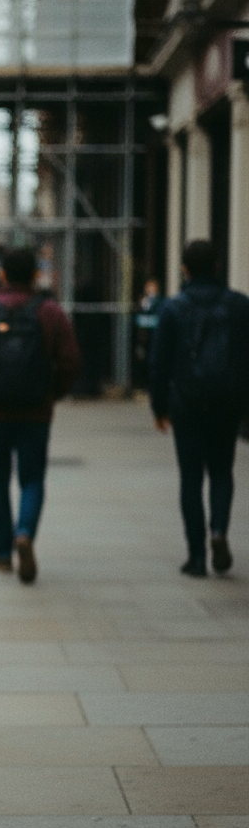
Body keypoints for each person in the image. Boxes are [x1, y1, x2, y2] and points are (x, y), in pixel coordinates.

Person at [0, 247, 80, 583]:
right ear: (36, 275)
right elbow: (70, 361)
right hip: (36, 411)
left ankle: (2, 552)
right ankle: (24, 532)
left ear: (4, 276)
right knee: (32, 478)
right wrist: (52, 394)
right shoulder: (50, 312)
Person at [149, 240, 249, 577]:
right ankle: (219, 530)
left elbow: (159, 363)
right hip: (227, 403)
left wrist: (159, 407)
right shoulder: (239, 306)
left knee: (190, 479)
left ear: (185, 270)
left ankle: (196, 556)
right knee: (222, 471)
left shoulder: (173, 308)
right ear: (218, 267)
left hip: (187, 404)